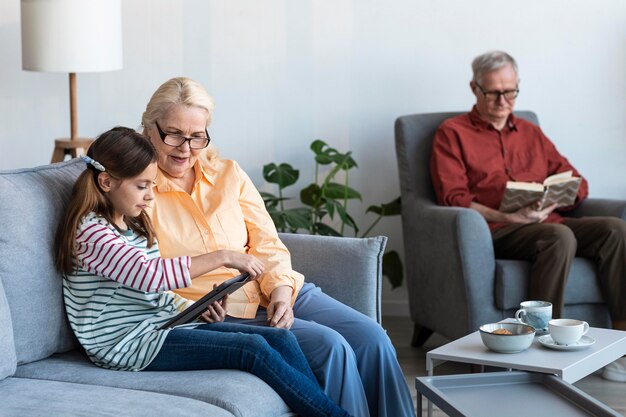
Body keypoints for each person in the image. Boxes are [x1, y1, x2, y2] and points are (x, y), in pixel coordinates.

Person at [141, 77, 415, 417]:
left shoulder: (228, 173)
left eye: (197, 136)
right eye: (173, 134)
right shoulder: (139, 191)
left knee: (372, 337)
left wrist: (283, 292)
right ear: (148, 127)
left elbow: (267, 242)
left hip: (276, 288)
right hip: (223, 310)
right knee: (332, 347)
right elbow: (146, 271)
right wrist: (192, 309)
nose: (185, 148)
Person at [55, 127, 351, 417]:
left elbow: (153, 295)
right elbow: (149, 276)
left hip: (160, 326)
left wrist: (195, 310)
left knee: (282, 339)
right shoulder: (91, 232)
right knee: (252, 348)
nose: (149, 196)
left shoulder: (130, 223)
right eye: (141, 186)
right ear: (106, 181)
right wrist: (223, 256)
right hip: (128, 343)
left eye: (151, 185)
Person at [429, 50, 626, 382]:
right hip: (494, 229)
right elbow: (453, 197)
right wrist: (509, 215)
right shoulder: (452, 133)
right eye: (493, 92)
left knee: (615, 229)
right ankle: (545, 347)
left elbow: (577, 181)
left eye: (510, 91)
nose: (503, 100)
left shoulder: (530, 132)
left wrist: (552, 201)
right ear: (474, 88)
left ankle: (621, 341)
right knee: (559, 237)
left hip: (544, 220)